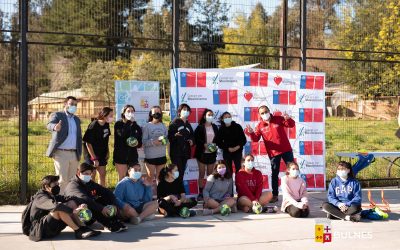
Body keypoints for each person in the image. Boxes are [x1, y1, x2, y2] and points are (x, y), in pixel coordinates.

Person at [26, 175, 100, 241]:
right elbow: (56, 206)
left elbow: (68, 198)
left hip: (52, 226)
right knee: (59, 209)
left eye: (58, 184)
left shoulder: (51, 195)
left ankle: (83, 227)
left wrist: (81, 204)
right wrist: (73, 211)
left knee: (72, 202)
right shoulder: (41, 197)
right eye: (55, 184)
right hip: (40, 230)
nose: (57, 186)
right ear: (46, 187)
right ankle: (78, 231)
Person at [246, 105, 295, 203]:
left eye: (266, 111)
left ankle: (294, 193)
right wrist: (251, 133)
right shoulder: (260, 126)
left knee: (292, 171)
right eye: (262, 113)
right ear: (260, 115)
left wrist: (288, 118)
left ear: (269, 111)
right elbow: (256, 139)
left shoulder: (278, 119)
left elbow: (291, 125)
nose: (265, 114)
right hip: (273, 153)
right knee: (275, 174)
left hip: (286, 150)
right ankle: (275, 195)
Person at [64, 163, 128, 232]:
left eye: (90, 174)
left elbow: (105, 191)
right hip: (77, 216)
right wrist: (102, 208)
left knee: (104, 199)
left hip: (88, 214)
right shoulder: (73, 185)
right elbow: (85, 199)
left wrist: (113, 204)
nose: (88, 176)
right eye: (86, 174)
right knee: (91, 204)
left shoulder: (88, 182)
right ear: (79, 173)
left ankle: (115, 220)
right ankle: (109, 224)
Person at [46, 96, 82, 193]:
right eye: (71, 104)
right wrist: (55, 127)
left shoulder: (77, 120)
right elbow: (49, 125)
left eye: (75, 105)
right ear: (65, 104)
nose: (73, 106)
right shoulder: (57, 115)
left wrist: (79, 152)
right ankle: (61, 202)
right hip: (61, 153)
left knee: (72, 181)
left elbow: (78, 137)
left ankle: (70, 201)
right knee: (62, 180)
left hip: (74, 153)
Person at [83, 107, 113, 187]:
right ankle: (91, 194)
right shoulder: (94, 125)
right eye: (110, 115)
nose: (112, 117)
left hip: (102, 153)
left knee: (102, 174)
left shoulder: (106, 124)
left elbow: (106, 139)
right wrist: (94, 158)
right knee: (92, 175)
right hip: (91, 154)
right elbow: (88, 143)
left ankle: (101, 194)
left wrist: (107, 152)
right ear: (104, 115)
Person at [113, 104, 143, 181]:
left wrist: (137, 143)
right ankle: (120, 193)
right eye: (128, 111)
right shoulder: (118, 124)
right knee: (122, 178)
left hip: (132, 156)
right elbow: (122, 135)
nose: (130, 113)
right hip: (121, 155)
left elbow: (139, 143)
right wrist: (129, 122)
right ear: (123, 113)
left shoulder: (136, 126)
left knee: (133, 177)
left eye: (132, 111)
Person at [194, 109, 219, 199]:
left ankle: (208, 192)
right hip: (202, 153)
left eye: (212, 115)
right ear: (204, 116)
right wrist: (204, 145)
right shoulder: (200, 127)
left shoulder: (215, 127)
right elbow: (196, 139)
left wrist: (215, 145)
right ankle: (201, 193)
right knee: (201, 174)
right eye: (209, 115)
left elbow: (218, 139)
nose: (210, 116)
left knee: (210, 174)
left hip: (211, 153)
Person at [168, 103, 194, 180]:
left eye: (187, 110)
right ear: (179, 111)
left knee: (181, 172)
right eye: (184, 110)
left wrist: (192, 141)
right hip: (176, 152)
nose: (186, 111)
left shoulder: (188, 124)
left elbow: (192, 136)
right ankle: (175, 189)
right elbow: (169, 137)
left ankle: (179, 189)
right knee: (176, 172)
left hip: (185, 152)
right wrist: (175, 135)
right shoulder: (174, 122)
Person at [143, 106, 168, 183]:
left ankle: (160, 195)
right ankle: (148, 195)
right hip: (150, 157)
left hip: (161, 156)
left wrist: (163, 141)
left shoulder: (163, 126)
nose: (157, 113)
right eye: (155, 112)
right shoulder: (147, 126)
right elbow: (143, 142)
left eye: (158, 112)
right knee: (150, 178)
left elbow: (166, 140)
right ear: (151, 114)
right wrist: (153, 142)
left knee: (160, 178)